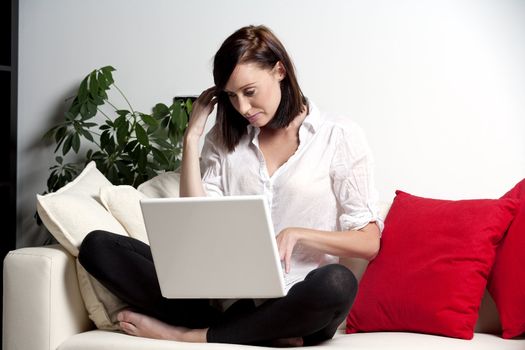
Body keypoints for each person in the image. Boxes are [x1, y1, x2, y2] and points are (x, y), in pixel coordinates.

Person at [78, 24, 383, 347]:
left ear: (279, 71)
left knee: (337, 283)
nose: (242, 108)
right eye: (231, 96)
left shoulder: (338, 136)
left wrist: (297, 233)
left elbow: (369, 242)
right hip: (224, 299)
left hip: (297, 300)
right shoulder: (224, 141)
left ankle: (191, 335)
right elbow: (195, 220)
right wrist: (192, 137)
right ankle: (253, 333)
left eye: (250, 92)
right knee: (97, 247)